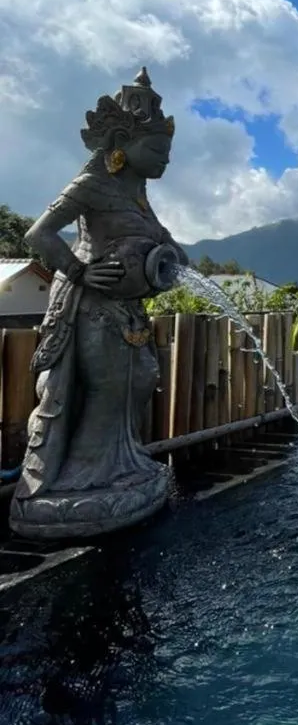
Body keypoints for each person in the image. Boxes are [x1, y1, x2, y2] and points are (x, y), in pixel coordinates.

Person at [10, 68, 188, 540]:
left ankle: (121, 465)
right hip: (90, 305)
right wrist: (78, 270)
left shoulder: (140, 197)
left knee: (140, 379)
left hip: (129, 309)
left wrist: (166, 264)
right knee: (105, 388)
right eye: (156, 151)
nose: (164, 162)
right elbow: (38, 234)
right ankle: (76, 480)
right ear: (122, 145)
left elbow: (171, 247)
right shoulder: (91, 185)